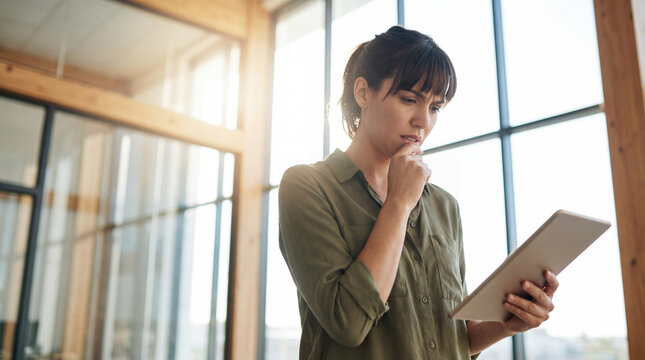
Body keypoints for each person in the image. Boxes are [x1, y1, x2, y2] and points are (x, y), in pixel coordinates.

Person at [278, 26, 558, 359]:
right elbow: (349, 323)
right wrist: (398, 203)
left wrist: (508, 323)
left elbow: (450, 336)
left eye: (435, 107)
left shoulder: (444, 206)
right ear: (363, 93)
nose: (423, 122)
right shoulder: (309, 187)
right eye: (409, 99)